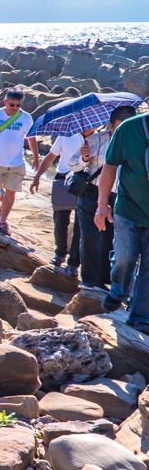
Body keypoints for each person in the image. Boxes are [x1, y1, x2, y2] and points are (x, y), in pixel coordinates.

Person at [96, 107, 149, 334]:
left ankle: (140, 317)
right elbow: (110, 166)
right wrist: (101, 205)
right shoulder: (128, 128)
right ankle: (118, 291)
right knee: (125, 258)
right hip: (128, 208)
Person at [72, 109, 136, 289]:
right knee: (90, 236)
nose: (123, 131)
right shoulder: (96, 140)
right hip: (92, 193)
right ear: (111, 124)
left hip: (121, 195)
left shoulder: (137, 140)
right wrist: (84, 158)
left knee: (113, 239)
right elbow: (72, 163)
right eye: (119, 127)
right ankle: (89, 280)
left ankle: (105, 280)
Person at [0, 89, 38, 235]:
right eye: (12, 104)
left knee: (11, 193)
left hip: (17, 163)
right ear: (5, 102)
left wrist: (36, 157)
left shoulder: (26, 118)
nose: (15, 108)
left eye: (18, 105)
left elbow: (31, 138)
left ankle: (3, 221)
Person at [30, 131, 83, 274]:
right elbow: (50, 157)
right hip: (64, 178)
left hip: (85, 182)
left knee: (81, 225)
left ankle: (74, 263)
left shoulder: (97, 138)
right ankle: (60, 254)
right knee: (60, 220)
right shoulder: (66, 135)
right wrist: (37, 176)